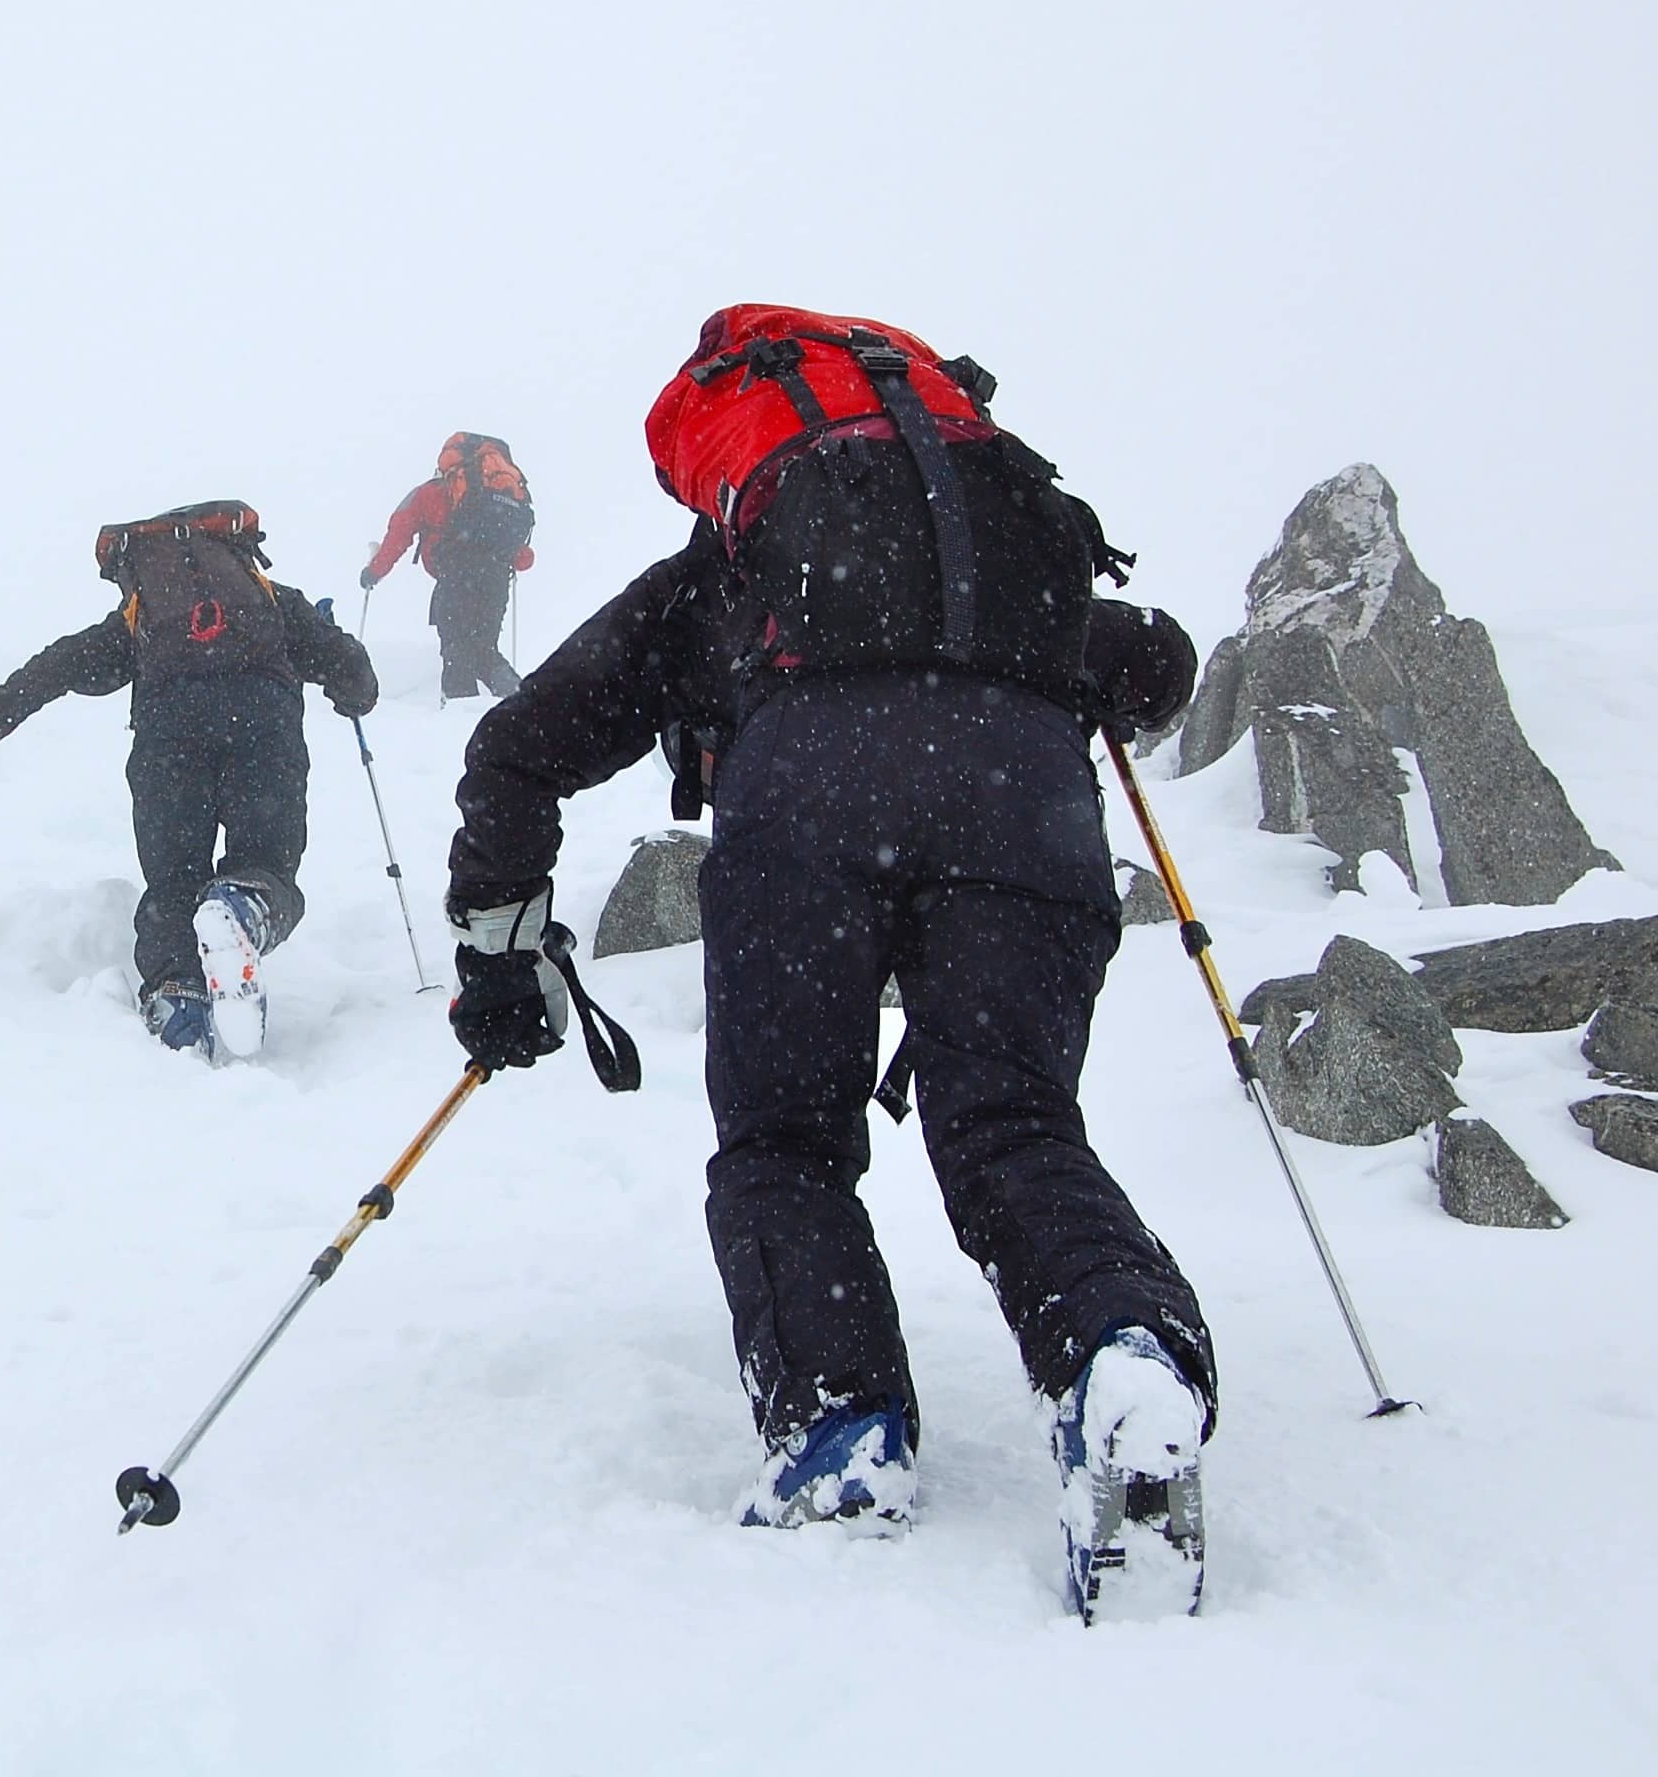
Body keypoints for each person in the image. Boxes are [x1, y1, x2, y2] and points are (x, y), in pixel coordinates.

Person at [437, 306, 1213, 1617]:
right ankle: (1118, 1351)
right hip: (1021, 806)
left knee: (788, 1148)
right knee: (1016, 1126)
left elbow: (521, 746)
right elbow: (1157, 663)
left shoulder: (733, 567)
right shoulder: (1004, 542)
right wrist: (1060, 693)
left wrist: (500, 957)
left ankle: (842, 1433)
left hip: (811, 808)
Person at [0, 501, 377, 1062]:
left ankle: (175, 1000)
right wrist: (349, 685)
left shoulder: (140, 620)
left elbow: (52, 670)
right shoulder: (271, 601)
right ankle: (244, 906)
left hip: (168, 738)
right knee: (266, 860)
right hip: (263, 727)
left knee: (173, 882)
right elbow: (354, 675)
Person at [359, 433, 537, 699]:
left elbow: (398, 536)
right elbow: (522, 556)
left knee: (456, 650)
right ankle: (524, 701)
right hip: (496, 578)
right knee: (484, 650)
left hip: (456, 576)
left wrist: (373, 572)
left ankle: (459, 714)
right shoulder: (498, 493)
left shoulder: (428, 493)